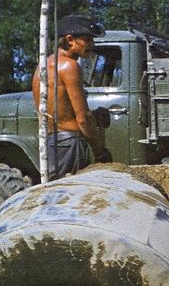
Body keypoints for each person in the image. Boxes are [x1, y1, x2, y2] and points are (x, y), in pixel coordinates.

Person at [32, 14, 111, 181]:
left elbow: (59, 110)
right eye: (87, 40)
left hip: (52, 144)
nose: (92, 45)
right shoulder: (70, 66)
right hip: (70, 144)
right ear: (70, 40)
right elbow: (83, 118)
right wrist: (100, 152)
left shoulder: (44, 65)